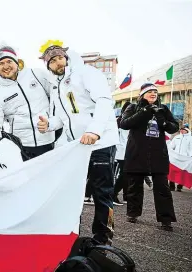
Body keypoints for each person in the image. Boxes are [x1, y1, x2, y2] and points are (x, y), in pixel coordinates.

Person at [37, 41, 119, 245]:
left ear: (66, 57)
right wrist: (49, 125)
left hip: (100, 142)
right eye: (52, 61)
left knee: (102, 192)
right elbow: (64, 118)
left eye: (59, 58)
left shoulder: (86, 73)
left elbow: (103, 101)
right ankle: (70, 233)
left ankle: (103, 238)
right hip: (77, 146)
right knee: (73, 190)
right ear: (47, 66)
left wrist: (95, 130)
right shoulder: (56, 86)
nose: (57, 63)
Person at [119, 82, 178, 231]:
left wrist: (162, 120)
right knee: (135, 186)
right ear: (142, 94)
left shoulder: (163, 109)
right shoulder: (132, 107)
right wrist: (144, 111)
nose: (153, 94)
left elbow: (174, 127)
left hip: (158, 154)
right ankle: (133, 213)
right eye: (150, 91)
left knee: (162, 187)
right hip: (137, 152)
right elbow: (124, 123)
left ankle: (166, 220)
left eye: (155, 92)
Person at [0, 45, 55, 160]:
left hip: (48, 139)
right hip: (22, 145)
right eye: (1, 63)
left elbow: (57, 97)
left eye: (9, 61)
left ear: (17, 62)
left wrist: (52, 122)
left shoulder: (36, 74)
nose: (6, 66)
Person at [168, 126, 191, 192]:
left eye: (183, 129)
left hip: (184, 159)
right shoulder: (177, 137)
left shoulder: (190, 138)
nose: (182, 130)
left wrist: (189, 156)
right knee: (172, 172)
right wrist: (171, 152)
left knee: (182, 173)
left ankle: (179, 187)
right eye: (181, 129)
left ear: (187, 130)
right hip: (175, 158)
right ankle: (171, 186)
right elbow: (171, 146)